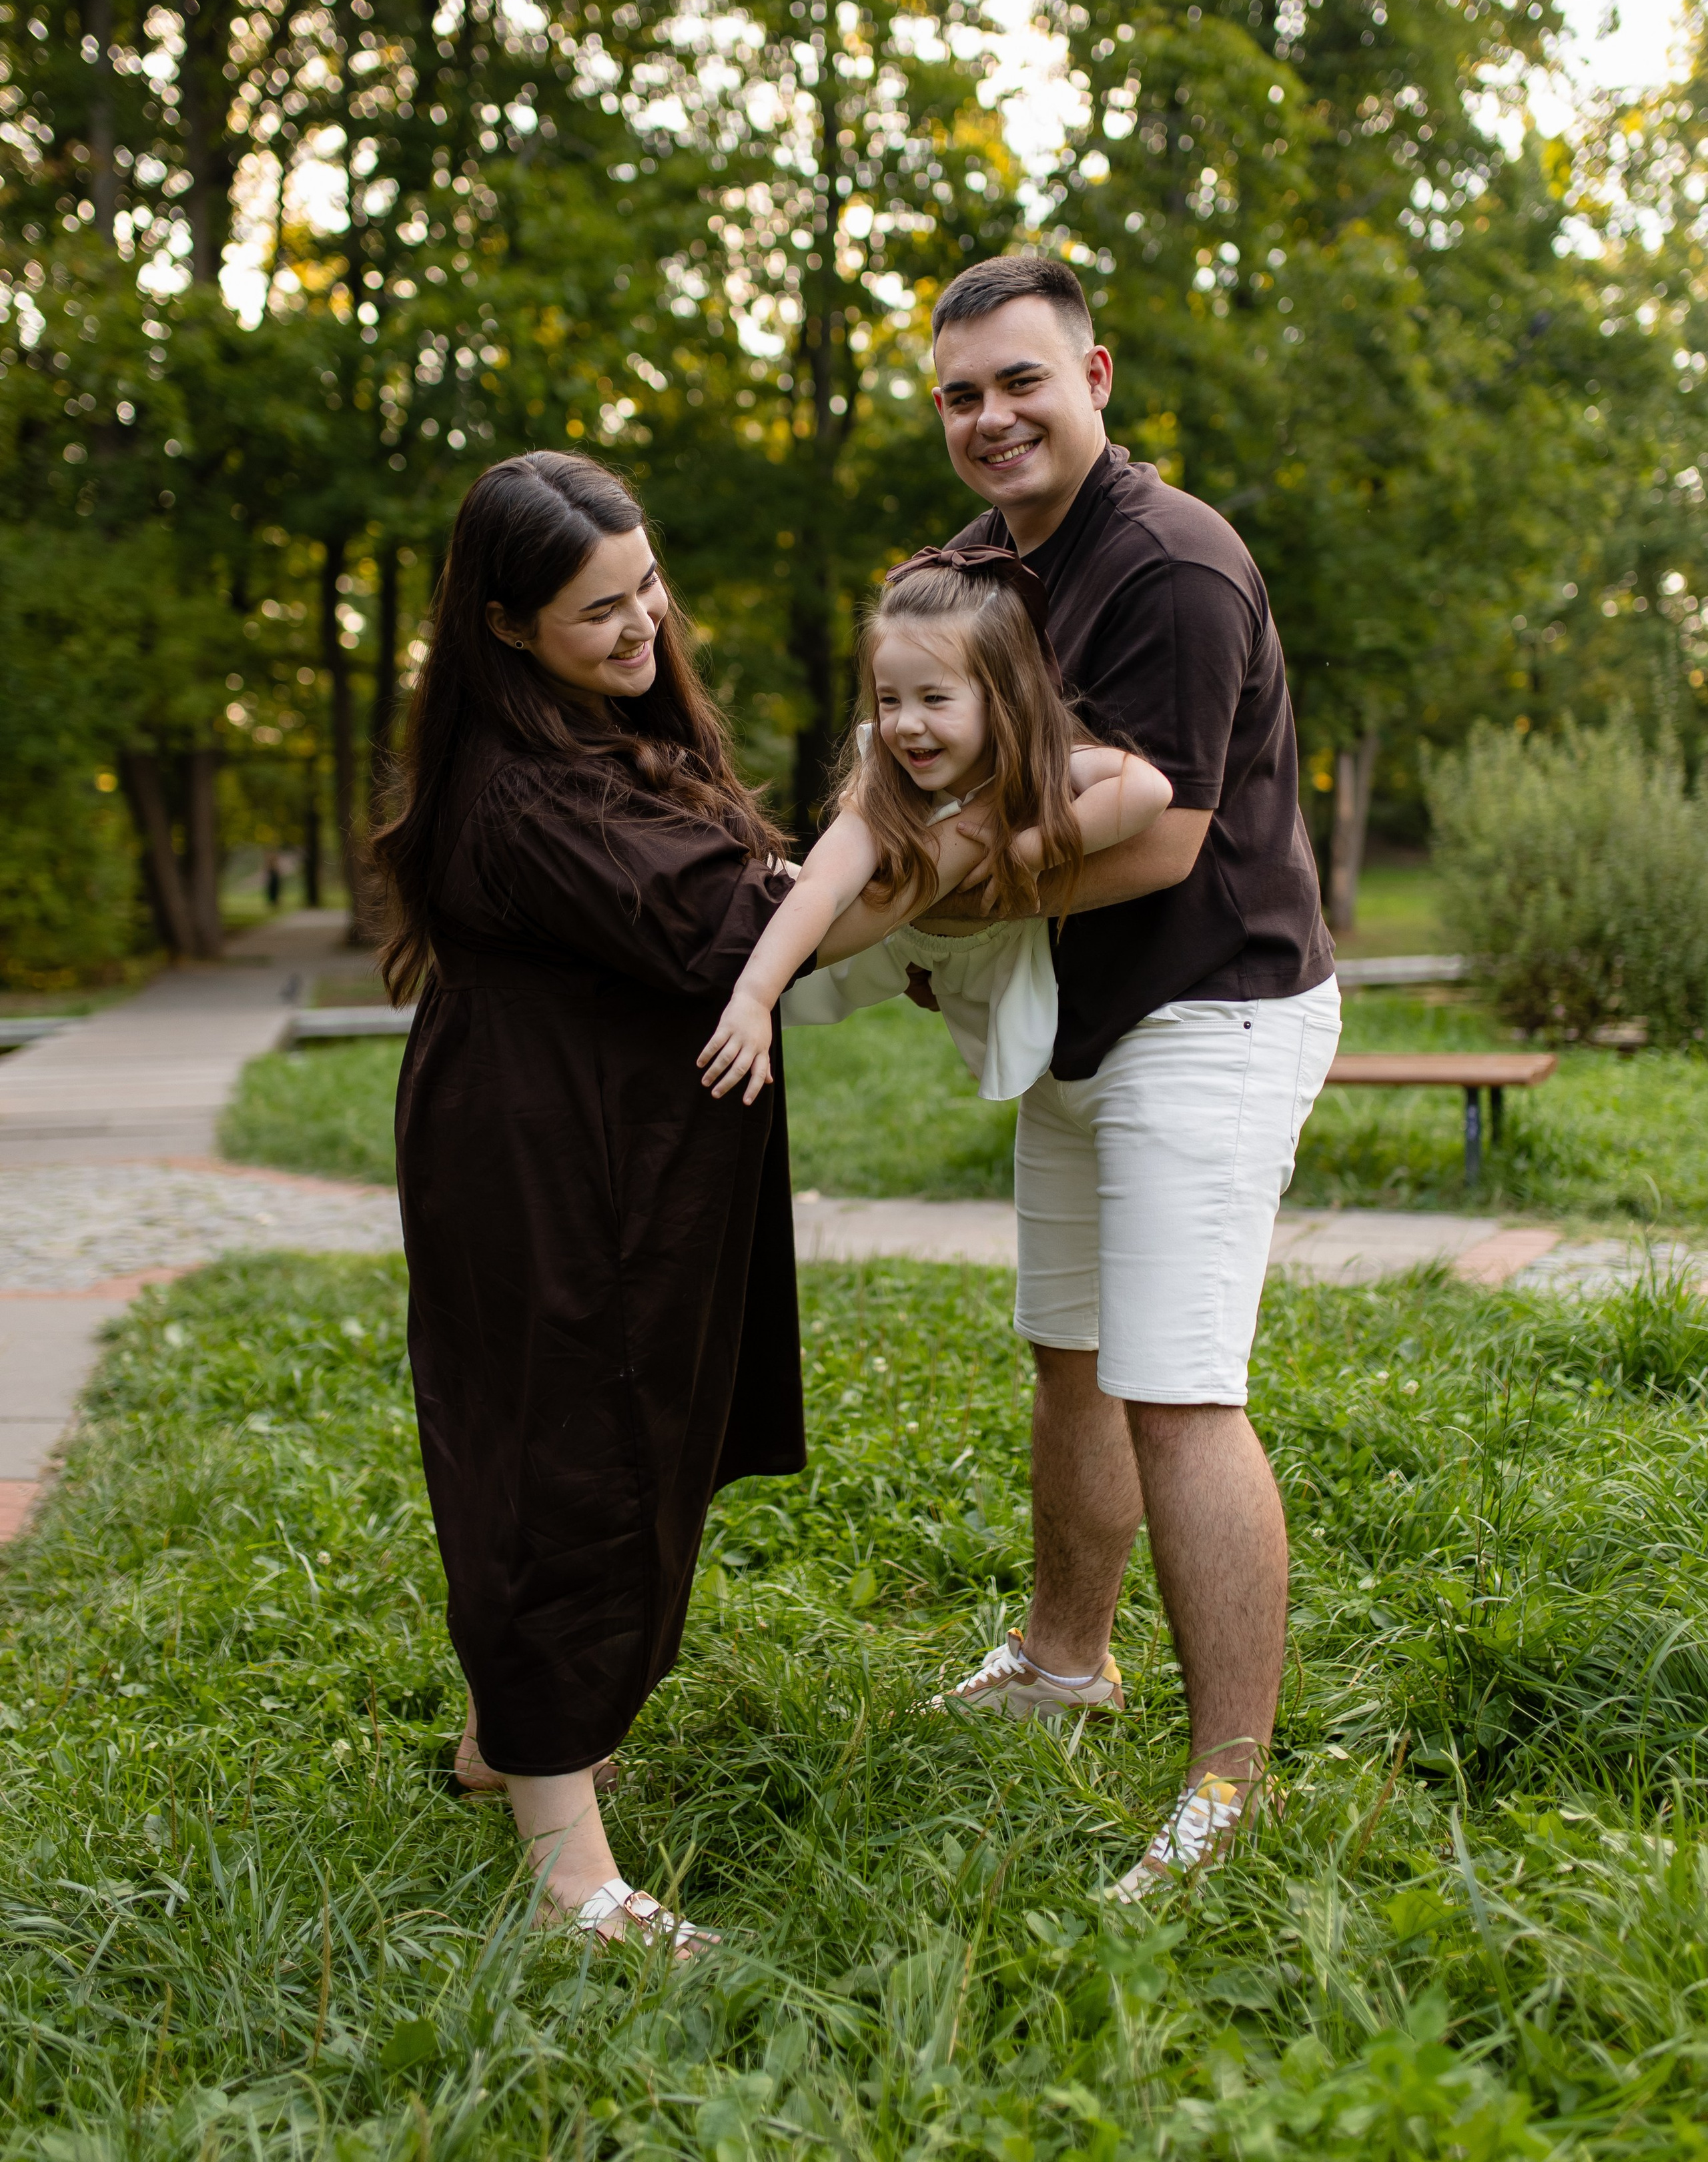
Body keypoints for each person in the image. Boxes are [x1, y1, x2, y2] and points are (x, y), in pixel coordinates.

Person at [372, 451, 877, 1949]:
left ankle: (496, 1745)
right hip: (542, 1167)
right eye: (601, 609)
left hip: (603, 1151)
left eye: (646, 583)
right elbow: (743, 923)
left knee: (592, 1439)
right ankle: (567, 1880)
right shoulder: (533, 795)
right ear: (507, 626)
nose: (643, 623)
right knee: (563, 1471)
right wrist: (947, 845)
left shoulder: (588, 735)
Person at [923, 256, 1341, 1900]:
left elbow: (1158, 842)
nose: (988, 416)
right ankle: (1061, 1659)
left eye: (1018, 380)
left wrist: (940, 900)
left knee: (1175, 1386)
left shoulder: (1173, 564)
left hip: (1213, 1011)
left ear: (1093, 373)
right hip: (1073, 1020)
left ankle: (1227, 1787)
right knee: (1069, 1355)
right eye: (959, 392)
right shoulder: (962, 573)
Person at [698, 548, 1172, 1107]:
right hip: (879, 943)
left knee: (1023, 1049)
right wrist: (755, 998)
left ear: (1005, 700)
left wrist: (1026, 851)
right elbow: (824, 887)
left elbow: (1149, 791)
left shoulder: (1047, 763)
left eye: (935, 698)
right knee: (753, 915)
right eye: (890, 699)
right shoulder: (888, 780)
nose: (906, 724)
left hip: (994, 962)